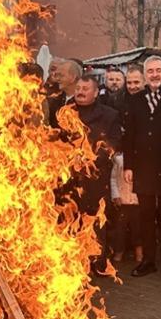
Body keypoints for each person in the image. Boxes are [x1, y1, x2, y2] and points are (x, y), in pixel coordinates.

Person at [122, 56, 161, 280]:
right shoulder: (135, 100)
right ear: (145, 75)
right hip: (143, 168)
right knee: (146, 216)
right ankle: (148, 261)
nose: (155, 75)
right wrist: (129, 165)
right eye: (150, 71)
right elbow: (129, 135)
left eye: (159, 70)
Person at [58, 75, 122, 273]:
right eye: (78, 88)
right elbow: (58, 139)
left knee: (95, 219)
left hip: (95, 176)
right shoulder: (65, 112)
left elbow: (114, 143)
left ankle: (97, 262)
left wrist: (90, 159)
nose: (80, 92)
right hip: (69, 176)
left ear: (95, 93)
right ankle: (73, 262)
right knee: (70, 217)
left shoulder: (109, 115)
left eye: (86, 88)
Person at [47, 59, 82, 128]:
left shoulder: (85, 102)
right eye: (57, 75)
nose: (57, 79)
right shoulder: (55, 102)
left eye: (61, 76)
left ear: (73, 77)